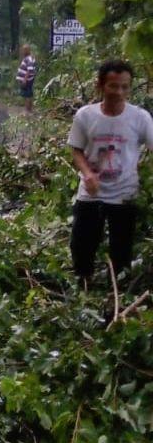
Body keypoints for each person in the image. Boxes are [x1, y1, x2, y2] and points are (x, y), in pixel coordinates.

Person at [68, 58, 153, 285]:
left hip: (125, 193)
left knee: (122, 249)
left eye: (125, 87)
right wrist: (87, 173)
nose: (119, 92)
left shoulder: (140, 118)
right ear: (100, 85)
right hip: (91, 192)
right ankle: (83, 284)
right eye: (113, 86)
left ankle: (118, 291)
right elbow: (76, 149)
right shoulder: (85, 116)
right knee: (82, 243)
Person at [15, 44, 37, 113]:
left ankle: (27, 110)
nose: (22, 51)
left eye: (24, 50)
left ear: (27, 51)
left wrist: (25, 79)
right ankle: (29, 110)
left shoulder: (29, 59)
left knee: (27, 95)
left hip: (27, 80)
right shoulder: (28, 58)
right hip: (28, 79)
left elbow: (29, 70)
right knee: (28, 95)